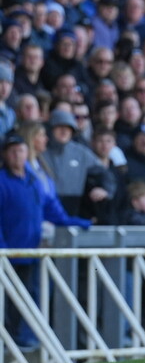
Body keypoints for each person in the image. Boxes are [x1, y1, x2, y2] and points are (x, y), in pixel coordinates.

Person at [0, 132, 91, 347]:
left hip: (30, 253)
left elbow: (52, 210)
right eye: (12, 151)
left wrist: (78, 222)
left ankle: (23, 339)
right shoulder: (2, 181)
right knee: (9, 301)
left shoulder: (34, 181)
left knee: (28, 297)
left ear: (26, 153)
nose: (17, 155)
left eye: (20, 150)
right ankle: (11, 343)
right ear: (5, 155)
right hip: (7, 255)